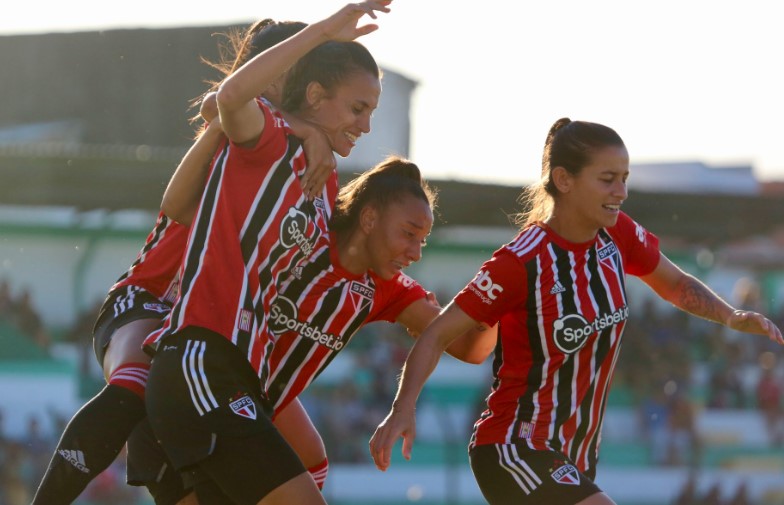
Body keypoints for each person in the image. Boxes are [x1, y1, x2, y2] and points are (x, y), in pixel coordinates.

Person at [368, 118, 784, 505]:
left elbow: (676, 284)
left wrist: (730, 316)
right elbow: (437, 333)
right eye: (607, 180)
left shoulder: (617, 234)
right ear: (563, 180)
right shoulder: (520, 263)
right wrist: (402, 411)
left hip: (575, 460)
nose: (620, 191)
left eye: (624, 179)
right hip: (515, 447)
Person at [31, 18, 337, 505]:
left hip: (217, 330)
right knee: (136, 379)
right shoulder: (236, 128)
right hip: (152, 301)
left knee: (312, 456)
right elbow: (181, 197)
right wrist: (303, 124)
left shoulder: (305, 163)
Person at [142, 3, 396, 505]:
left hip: (238, 376)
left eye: (372, 113)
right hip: (200, 358)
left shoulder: (324, 184)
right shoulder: (269, 139)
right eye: (357, 108)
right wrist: (325, 31)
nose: (365, 126)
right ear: (317, 95)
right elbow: (230, 96)